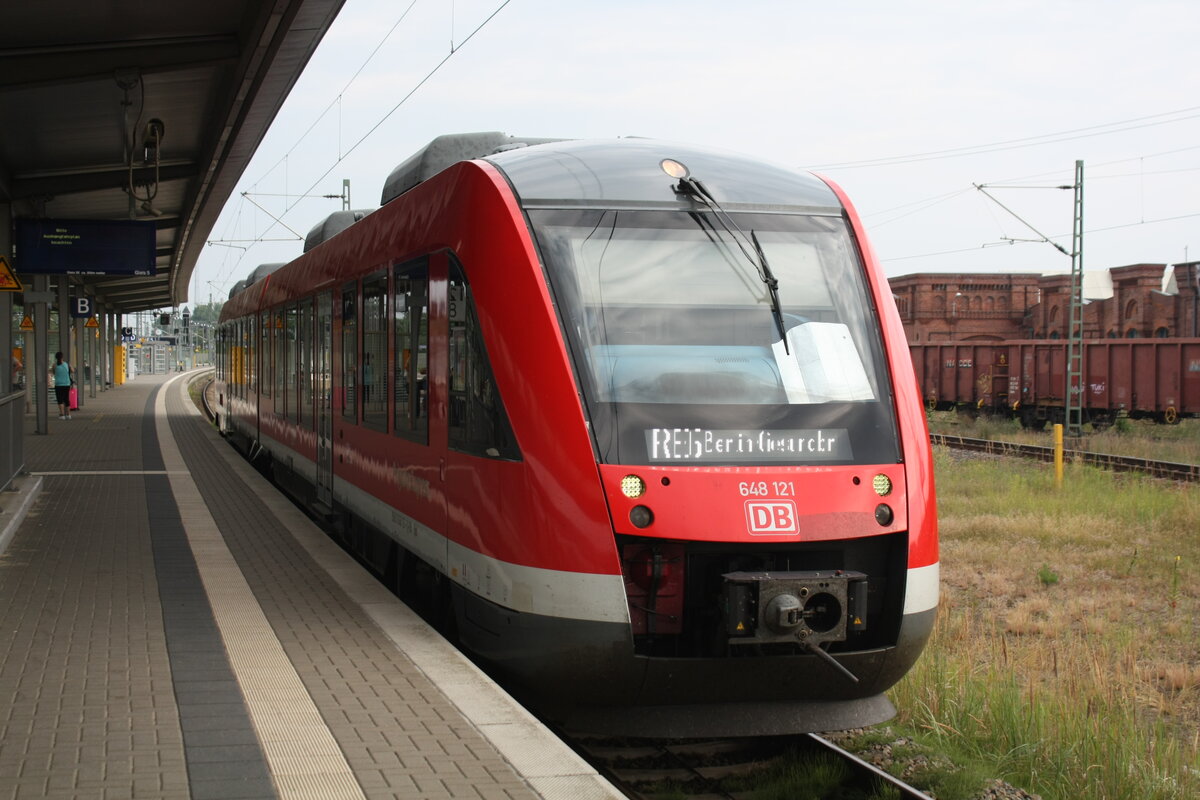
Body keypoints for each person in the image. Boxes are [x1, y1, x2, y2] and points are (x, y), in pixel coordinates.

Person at [50, 351, 73, 419]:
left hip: (58, 384)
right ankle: (68, 415)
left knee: (60, 399)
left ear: (56, 358)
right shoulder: (66, 364)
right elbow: (72, 371)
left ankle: (62, 414)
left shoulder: (54, 365)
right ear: (62, 357)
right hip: (66, 384)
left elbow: (54, 373)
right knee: (66, 399)